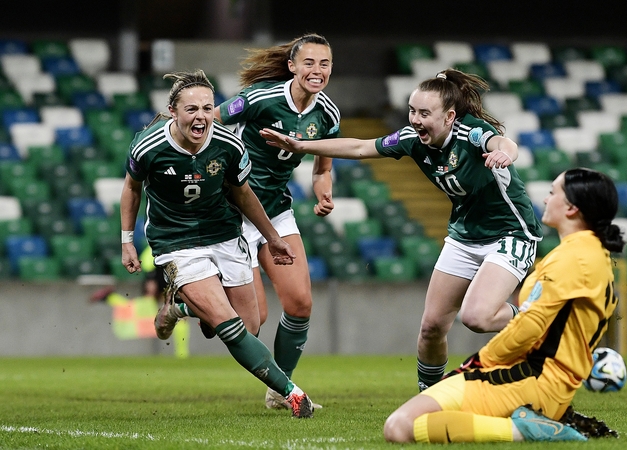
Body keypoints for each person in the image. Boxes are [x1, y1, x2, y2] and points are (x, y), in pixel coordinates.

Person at [261, 68, 543, 391]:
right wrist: (302, 146)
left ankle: (540, 316)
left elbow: (502, 141)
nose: (415, 119)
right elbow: (360, 148)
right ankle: (430, 395)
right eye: (412, 111)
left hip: (511, 232)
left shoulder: (470, 133)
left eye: (425, 113)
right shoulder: (412, 140)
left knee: (476, 317)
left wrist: (505, 153)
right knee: (431, 327)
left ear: (450, 116)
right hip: (465, 235)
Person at [119, 69, 315, 418]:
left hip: (224, 235)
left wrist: (272, 238)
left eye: (208, 108)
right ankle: (292, 393)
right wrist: (126, 241)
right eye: (192, 109)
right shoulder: (148, 146)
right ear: (173, 111)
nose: (201, 116)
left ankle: (178, 308)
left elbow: (243, 194)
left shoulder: (229, 145)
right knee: (228, 324)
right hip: (175, 242)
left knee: (250, 325)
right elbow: (131, 188)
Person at [381, 168, 625, 443]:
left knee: (399, 427)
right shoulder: (594, 255)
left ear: (571, 208)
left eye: (553, 192)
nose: (546, 200)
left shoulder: (572, 259)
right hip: (549, 384)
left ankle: (530, 431)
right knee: (417, 415)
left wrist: (480, 362)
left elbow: (528, 327)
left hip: (530, 381)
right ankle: (539, 420)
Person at [214, 33, 338, 409]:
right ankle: (184, 301)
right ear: (292, 66)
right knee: (253, 322)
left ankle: (280, 392)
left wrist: (323, 193)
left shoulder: (328, 114)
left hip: (277, 212)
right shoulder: (260, 98)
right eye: (310, 63)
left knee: (300, 304)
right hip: (234, 213)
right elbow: (208, 124)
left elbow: (322, 168)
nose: (317, 71)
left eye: (325, 64)